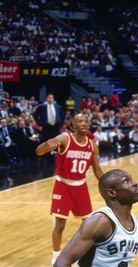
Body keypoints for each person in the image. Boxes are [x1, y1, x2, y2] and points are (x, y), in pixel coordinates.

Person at [36, 113, 105, 265]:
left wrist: (109, 185)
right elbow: (40, 151)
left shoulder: (92, 145)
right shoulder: (65, 139)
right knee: (60, 225)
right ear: (74, 124)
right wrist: (46, 146)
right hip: (63, 186)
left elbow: (98, 170)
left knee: (88, 225)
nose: (84, 124)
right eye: (80, 121)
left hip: (80, 186)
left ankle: (84, 256)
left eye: (86, 121)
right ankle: (56, 256)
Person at [53, 169, 138, 267]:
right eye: (126, 181)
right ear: (111, 193)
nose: (135, 183)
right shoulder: (100, 222)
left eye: (132, 179)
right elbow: (61, 263)